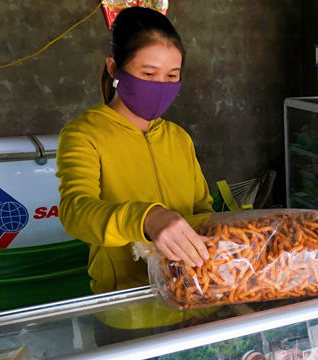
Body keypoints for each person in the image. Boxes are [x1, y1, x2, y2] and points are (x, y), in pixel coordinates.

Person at [57, 7, 213, 295]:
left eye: (172, 76)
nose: (161, 86)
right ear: (113, 68)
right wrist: (147, 218)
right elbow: (75, 211)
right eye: (149, 73)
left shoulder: (179, 138)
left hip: (191, 294)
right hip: (126, 302)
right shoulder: (84, 134)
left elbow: (203, 211)